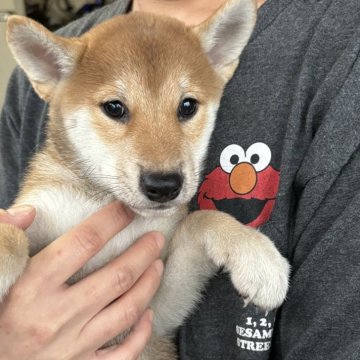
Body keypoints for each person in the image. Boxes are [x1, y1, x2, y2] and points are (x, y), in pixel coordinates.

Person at [1, 0, 360, 359]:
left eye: (186, 107)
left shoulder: (341, 50)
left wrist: (215, 230)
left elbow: (160, 312)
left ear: (220, 57)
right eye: (115, 108)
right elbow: (17, 231)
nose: (161, 162)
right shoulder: (39, 105)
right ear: (50, 71)